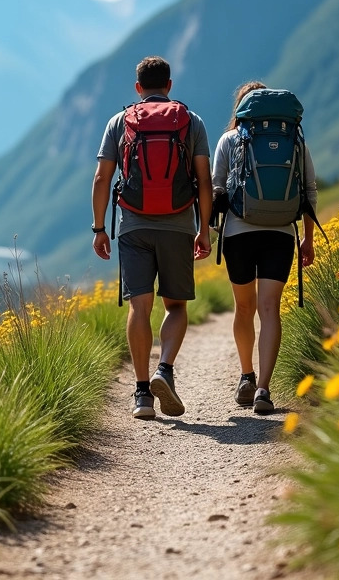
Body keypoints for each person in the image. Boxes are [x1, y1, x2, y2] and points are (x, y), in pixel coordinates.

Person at [91, 56, 213, 420]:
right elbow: (204, 181)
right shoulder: (191, 122)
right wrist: (204, 229)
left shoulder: (120, 122)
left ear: (138, 88)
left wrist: (99, 228)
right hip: (178, 226)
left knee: (139, 307)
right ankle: (165, 369)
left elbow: (102, 178)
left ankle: (142, 395)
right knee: (176, 306)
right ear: (170, 85)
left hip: (133, 226)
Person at [212, 81, 317, 415]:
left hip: (239, 234)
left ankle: (246, 375)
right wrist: (308, 239)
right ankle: (263, 390)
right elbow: (309, 190)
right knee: (270, 309)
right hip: (281, 234)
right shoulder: (294, 140)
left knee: (244, 308)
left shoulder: (230, 139)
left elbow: (216, 190)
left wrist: (210, 233)